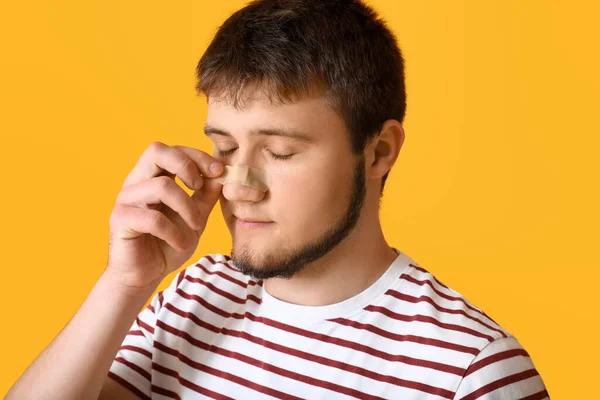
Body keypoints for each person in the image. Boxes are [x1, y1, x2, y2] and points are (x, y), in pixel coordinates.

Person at [6, 0, 550, 399]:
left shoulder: (472, 372)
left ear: (379, 151)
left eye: (282, 152)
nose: (240, 185)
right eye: (224, 146)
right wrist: (123, 286)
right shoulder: (195, 293)